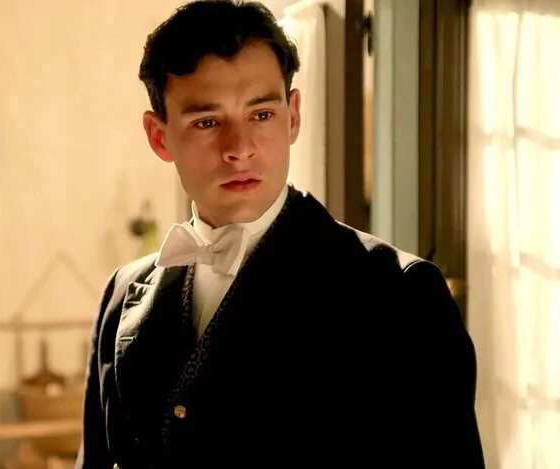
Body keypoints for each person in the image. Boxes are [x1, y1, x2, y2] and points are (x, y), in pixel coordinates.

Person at [75, 1, 485, 468]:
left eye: (261, 115)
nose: (240, 148)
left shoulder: (398, 295)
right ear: (158, 136)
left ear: (292, 116)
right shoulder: (122, 294)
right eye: (207, 122)